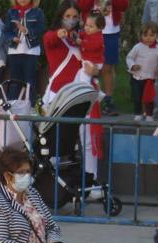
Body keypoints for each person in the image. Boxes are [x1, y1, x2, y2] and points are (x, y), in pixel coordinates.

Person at [43, 2, 102, 180]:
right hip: (59, 95)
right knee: (56, 140)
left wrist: (96, 71)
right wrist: (60, 33)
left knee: (87, 140)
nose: (71, 20)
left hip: (81, 94)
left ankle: (91, 181)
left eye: (75, 16)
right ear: (60, 17)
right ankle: (51, 183)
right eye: (67, 16)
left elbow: (95, 60)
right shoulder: (52, 35)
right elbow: (50, 39)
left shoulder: (83, 37)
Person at [77, 0, 129, 115]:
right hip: (90, 30)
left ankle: (108, 101)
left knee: (107, 67)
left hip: (110, 32)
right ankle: (86, 97)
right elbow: (81, 5)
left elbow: (124, 5)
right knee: (87, 66)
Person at [4, 0, 46, 106]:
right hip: (14, 51)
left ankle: (31, 106)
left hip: (31, 51)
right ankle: (12, 105)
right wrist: (12, 38)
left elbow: (41, 29)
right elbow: (6, 30)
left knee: (30, 80)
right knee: (14, 81)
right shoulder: (11, 12)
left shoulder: (37, 12)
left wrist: (27, 31)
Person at [126, 22, 158, 120]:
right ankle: (138, 113)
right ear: (141, 35)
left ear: (157, 35)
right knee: (137, 97)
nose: (148, 38)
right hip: (137, 77)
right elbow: (129, 57)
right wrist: (133, 66)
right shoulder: (138, 47)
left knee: (149, 98)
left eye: (151, 35)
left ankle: (149, 115)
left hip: (150, 78)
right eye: (145, 35)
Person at [77, 11, 106, 86]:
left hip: (94, 61)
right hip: (88, 59)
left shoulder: (98, 38)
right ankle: (95, 85)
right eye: (86, 25)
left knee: (84, 77)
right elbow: (82, 34)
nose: (87, 28)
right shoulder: (88, 32)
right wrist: (78, 35)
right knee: (86, 76)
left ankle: (85, 90)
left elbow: (91, 46)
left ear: (100, 28)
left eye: (91, 26)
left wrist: (81, 42)